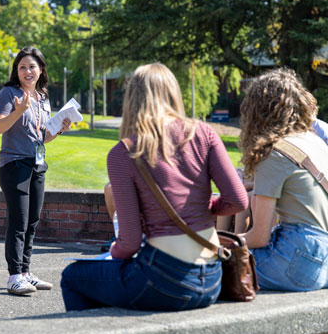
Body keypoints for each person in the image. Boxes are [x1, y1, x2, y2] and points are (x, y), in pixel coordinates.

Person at [60, 62, 249, 311]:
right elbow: (238, 200)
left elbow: (128, 243)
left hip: (163, 278)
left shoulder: (124, 152)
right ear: (173, 93)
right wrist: (202, 207)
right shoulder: (204, 133)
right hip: (213, 276)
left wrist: (111, 254)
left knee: (73, 277)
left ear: (133, 99)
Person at [239, 68, 328, 291]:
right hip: (324, 259)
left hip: (298, 260)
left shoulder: (274, 153)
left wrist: (219, 244)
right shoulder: (314, 141)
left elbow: (259, 237)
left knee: (216, 266)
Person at [0, 46, 71, 295]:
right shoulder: (9, 93)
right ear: (17, 71)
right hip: (14, 163)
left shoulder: (43, 97)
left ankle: (26, 272)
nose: (27, 71)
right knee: (19, 221)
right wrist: (18, 111)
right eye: (22, 67)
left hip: (37, 163)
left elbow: (41, 137)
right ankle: (14, 275)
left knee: (33, 221)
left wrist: (58, 129)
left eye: (32, 67)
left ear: (41, 70)